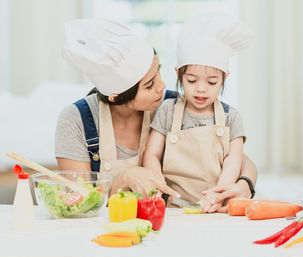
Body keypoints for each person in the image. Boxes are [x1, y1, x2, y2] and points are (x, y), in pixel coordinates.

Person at [55, 18, 257, 207]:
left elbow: (236, 158)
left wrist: (244, 185)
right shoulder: (77, 120)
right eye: (150, 85)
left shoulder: (170, 105)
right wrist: (125, 179)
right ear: (116, 96)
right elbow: (82, 201)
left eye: (158, 70)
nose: (162, 86)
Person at [143, 12, 253, 213]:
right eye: (191, 81)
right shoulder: (168, 110)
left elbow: (233, 160)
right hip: (171, 205)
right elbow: (152, 153)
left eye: (212, 82)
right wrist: (157, 185)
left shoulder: (232, 117)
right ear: (178, 74)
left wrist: (219, 193)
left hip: (215, 205)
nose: (201, 89)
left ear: (224, 78)